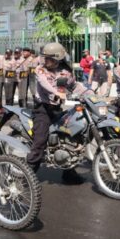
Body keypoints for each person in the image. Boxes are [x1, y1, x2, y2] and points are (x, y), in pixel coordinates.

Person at [26, 43, 87, 184]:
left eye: (48, 58)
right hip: (42, 109)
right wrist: (57, 93)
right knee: (40, 141)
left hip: (57, 109)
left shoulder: (65, 71)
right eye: (44, 58)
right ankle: (28, 173)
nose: (45, 61)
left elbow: (74, 86)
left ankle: (69, 173)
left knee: (70, 137)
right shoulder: (40, 69)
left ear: (58, 59)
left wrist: (91, 95)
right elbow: (44, 84)